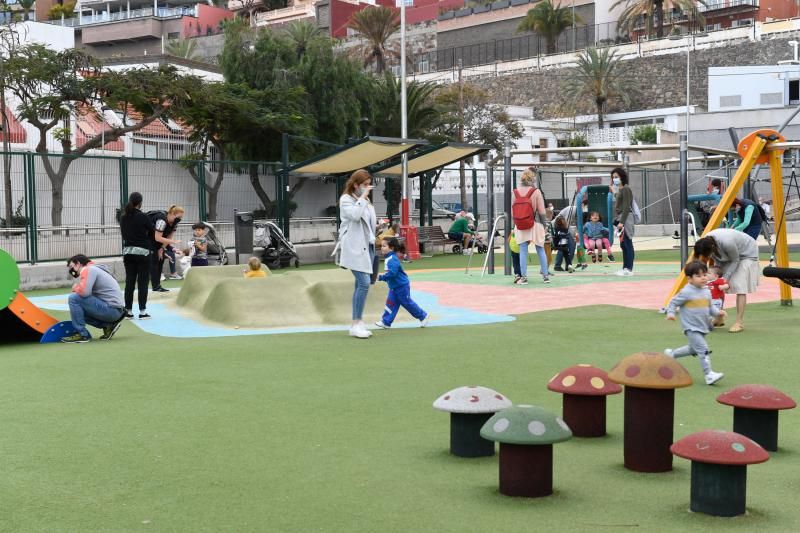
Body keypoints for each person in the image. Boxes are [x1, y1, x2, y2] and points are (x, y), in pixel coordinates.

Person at [664, 261, 726, 385]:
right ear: (689, 279)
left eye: (705, 274)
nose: (703, 277)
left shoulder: (706, 292)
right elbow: (673, 302)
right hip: (691, 327)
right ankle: (709, 374)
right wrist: (670, 313)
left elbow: (710, 308)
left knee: (693, 348)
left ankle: (672, 354)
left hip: (703, 326)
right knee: (703, 349)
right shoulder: (686, 292)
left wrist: (718, 313)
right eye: (698, 276)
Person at [335, 169, 377, 339]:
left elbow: (368, 222)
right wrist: (362, 198)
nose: (367, 188)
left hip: (368, 246)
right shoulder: (346, 199)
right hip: (353, 247)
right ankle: (356, 323)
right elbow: (354, 215)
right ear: (355, 184)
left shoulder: (364, 200)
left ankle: (357, 323)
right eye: (364, 185)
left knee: (361, 284)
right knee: (364, 283)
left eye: (368, 184)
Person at [694, 228, 759, 333]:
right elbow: (716, 260)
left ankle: (739, 322)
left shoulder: (727, 242)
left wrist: (725, 279)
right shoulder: (706, 243)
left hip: (746, 254)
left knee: (739, 285)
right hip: (728, 256)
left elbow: (735, 260)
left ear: (711, 248)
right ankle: (719, 317)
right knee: (716, 284)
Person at [61, 255, 125, 343]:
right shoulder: (95, 269)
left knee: (74, 298)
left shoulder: (88, 269)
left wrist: (76, 287)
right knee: (79, 310)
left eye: (72, 267)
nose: (71, 271)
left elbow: (85, 292)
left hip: (112, 309)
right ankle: (107, 325)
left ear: (78, 264)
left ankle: (82, 334)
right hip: (115, 310)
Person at [374, 237, 428, 329]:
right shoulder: (389, 258)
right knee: (390, 303)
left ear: (391, 248)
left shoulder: (392, 259)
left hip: (401, 286)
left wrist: (381, 277)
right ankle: (386, 322)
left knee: (407, 303)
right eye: (381, 246)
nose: (382, 248)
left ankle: (423, 316)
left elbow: (392, 273)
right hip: (394, 287)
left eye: (384, 246)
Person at [119, 192, 154, 320]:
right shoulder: (143, 217)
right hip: (143, 252)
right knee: (143, 282)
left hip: (128, 251)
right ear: (140, 203)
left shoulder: (123, 217)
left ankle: (128, 311)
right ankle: (143, 312)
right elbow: (152, 232)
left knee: (130, 281)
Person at [512, 168, 550, 284]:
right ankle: (545, 276)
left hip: (521, 224)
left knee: (523, 250)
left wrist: (514, 225)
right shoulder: (536, 191)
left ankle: (523, 277)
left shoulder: (515, 192)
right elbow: (542, 210)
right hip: (536, 223)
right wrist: (545, 225)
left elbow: (512, 211)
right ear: (532, 178)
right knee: (540, 249)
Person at [149, 205, 184, 293]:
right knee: (154, 260)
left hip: (158, 239)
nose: (179, 219)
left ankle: (157, 285)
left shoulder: (175, 224)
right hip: (148, 237)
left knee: (160, 259)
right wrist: (173, 242)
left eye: (181, 218)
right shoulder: (161, 221)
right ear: (172, 214)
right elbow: (157, 238)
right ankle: (155, 286)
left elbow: (168, 237)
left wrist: (162, 248)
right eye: (178, 217)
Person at [612, 167, 635, 276]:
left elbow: (626, 207)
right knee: (623, 244)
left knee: (627, 243)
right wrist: (614, 192)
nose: (614, 179)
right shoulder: (620, 189)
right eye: (613, 177)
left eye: (616, 177)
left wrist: (622, 222)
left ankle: (629, 268)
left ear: (622, 177)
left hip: (625, 218)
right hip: (621, 217)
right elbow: (618, 202)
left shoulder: (626, 189)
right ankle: (625, 267)